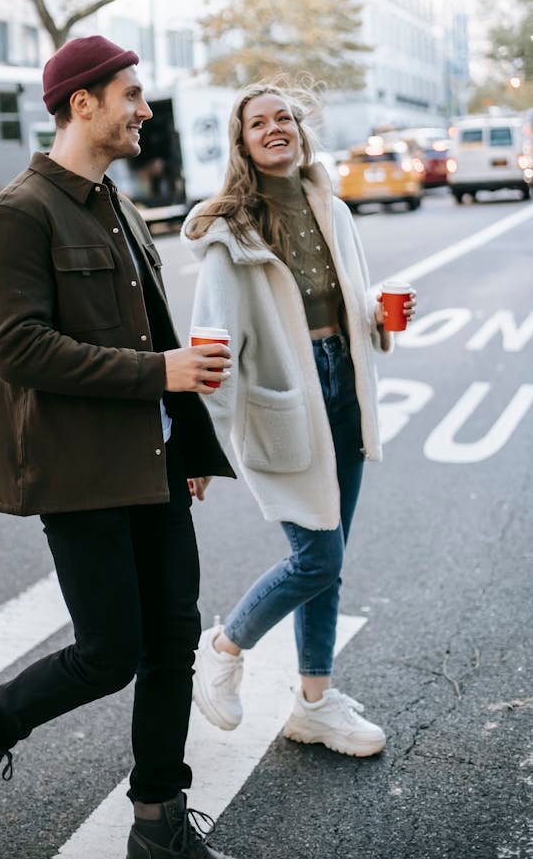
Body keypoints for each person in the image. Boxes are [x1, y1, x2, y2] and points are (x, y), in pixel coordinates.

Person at [0, 35, 239, 859]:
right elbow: (19, 349)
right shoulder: (18, 213)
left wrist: (184, 445)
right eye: (131, 95)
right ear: (84, 103)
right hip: (79, 472)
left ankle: (157, 822)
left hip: (151, 462)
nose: (145, 110)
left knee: (172, 639)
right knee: (110, 652)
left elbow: (150, 332)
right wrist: (162, 373)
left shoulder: (117, 203)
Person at [182, 82, 416, 757]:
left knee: (329, 555)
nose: (275, 127)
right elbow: (212, 343)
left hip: (343, 387)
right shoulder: (231, 234)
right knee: (316, 555)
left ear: (300, 131)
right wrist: (202, 447)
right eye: (259, 123)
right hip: (285, 400)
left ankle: (313, 703)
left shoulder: (331, 207)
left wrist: (377, 316)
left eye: (283, 117)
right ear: (242, 144)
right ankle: (223, 649)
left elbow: (345, 296)